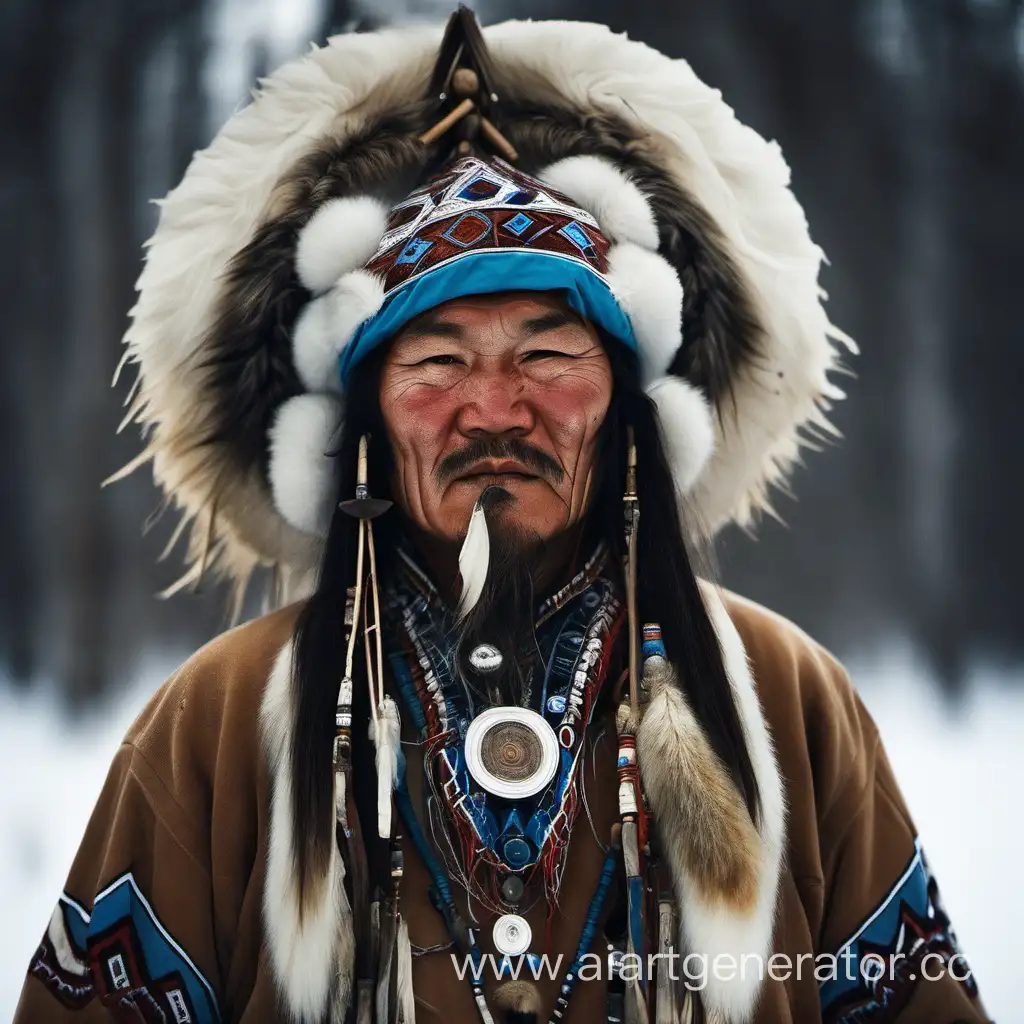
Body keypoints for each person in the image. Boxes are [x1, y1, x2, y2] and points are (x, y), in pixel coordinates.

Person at [15, 11, 989, 1024]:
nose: (493, 407)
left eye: (547, 353)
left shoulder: (787, 701)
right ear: (359, 421)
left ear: (626, 405)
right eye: (436, 361)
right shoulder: (216, 723)